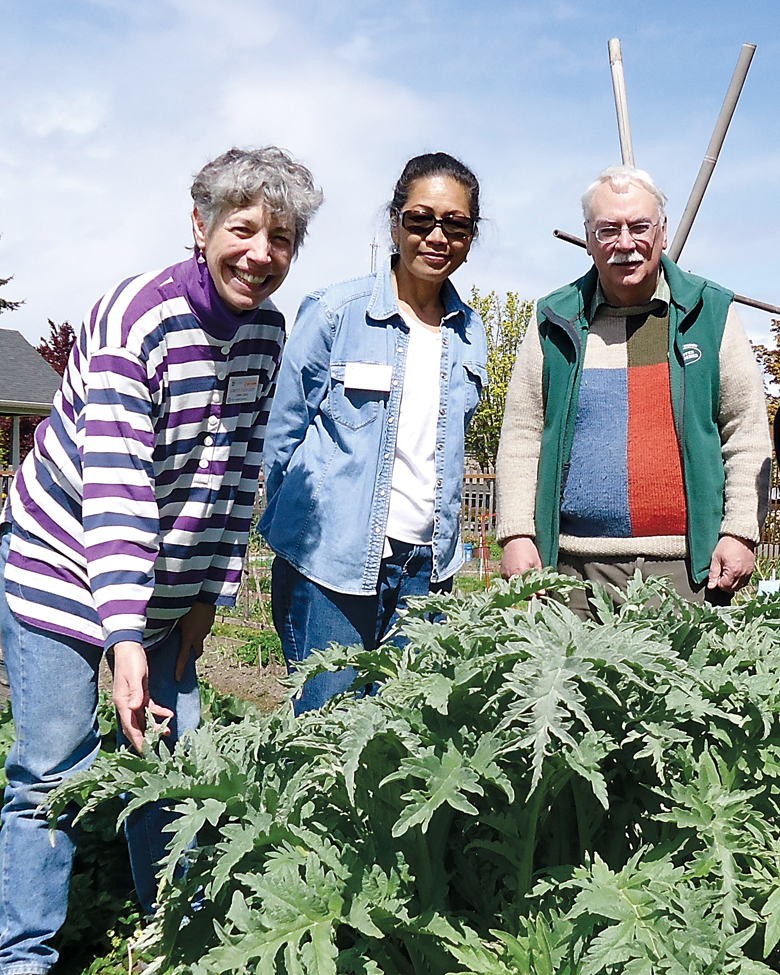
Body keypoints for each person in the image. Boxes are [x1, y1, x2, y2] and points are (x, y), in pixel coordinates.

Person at [0, 145, 322, 971]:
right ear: (200, 225)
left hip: (165, 588)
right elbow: (117, 493)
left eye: (281, 237)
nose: (261, 252)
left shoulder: (265, 331)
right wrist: (123, 639)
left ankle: (172, 935)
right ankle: (23, 953)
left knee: (176, 769)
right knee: (52, 769)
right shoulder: (133, 321)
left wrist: (209, 596)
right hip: (66, 564)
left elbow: (235, 471)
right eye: (244, 228)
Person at [260, 152, 487, 713]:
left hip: (427, 574)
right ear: (395, 223)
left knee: (397, 741)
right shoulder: (336, 314)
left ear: (469, 235)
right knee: (326, 737)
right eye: (420, 220)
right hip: (329, 568)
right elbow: (280, 438)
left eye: (455, 224)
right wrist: (309, 531)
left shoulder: (469, 333)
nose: (437, 236)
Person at [496, 164, 771, 616]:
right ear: (588, 240)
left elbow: (745, 432)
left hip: (687, 570)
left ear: (661, 232)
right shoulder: (553, 319)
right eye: (608, 229)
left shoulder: (710, 313)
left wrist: (740, 531)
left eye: (639, 226)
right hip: (570, 572)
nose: (626, 243)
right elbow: (523, 433)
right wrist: (517, 533)